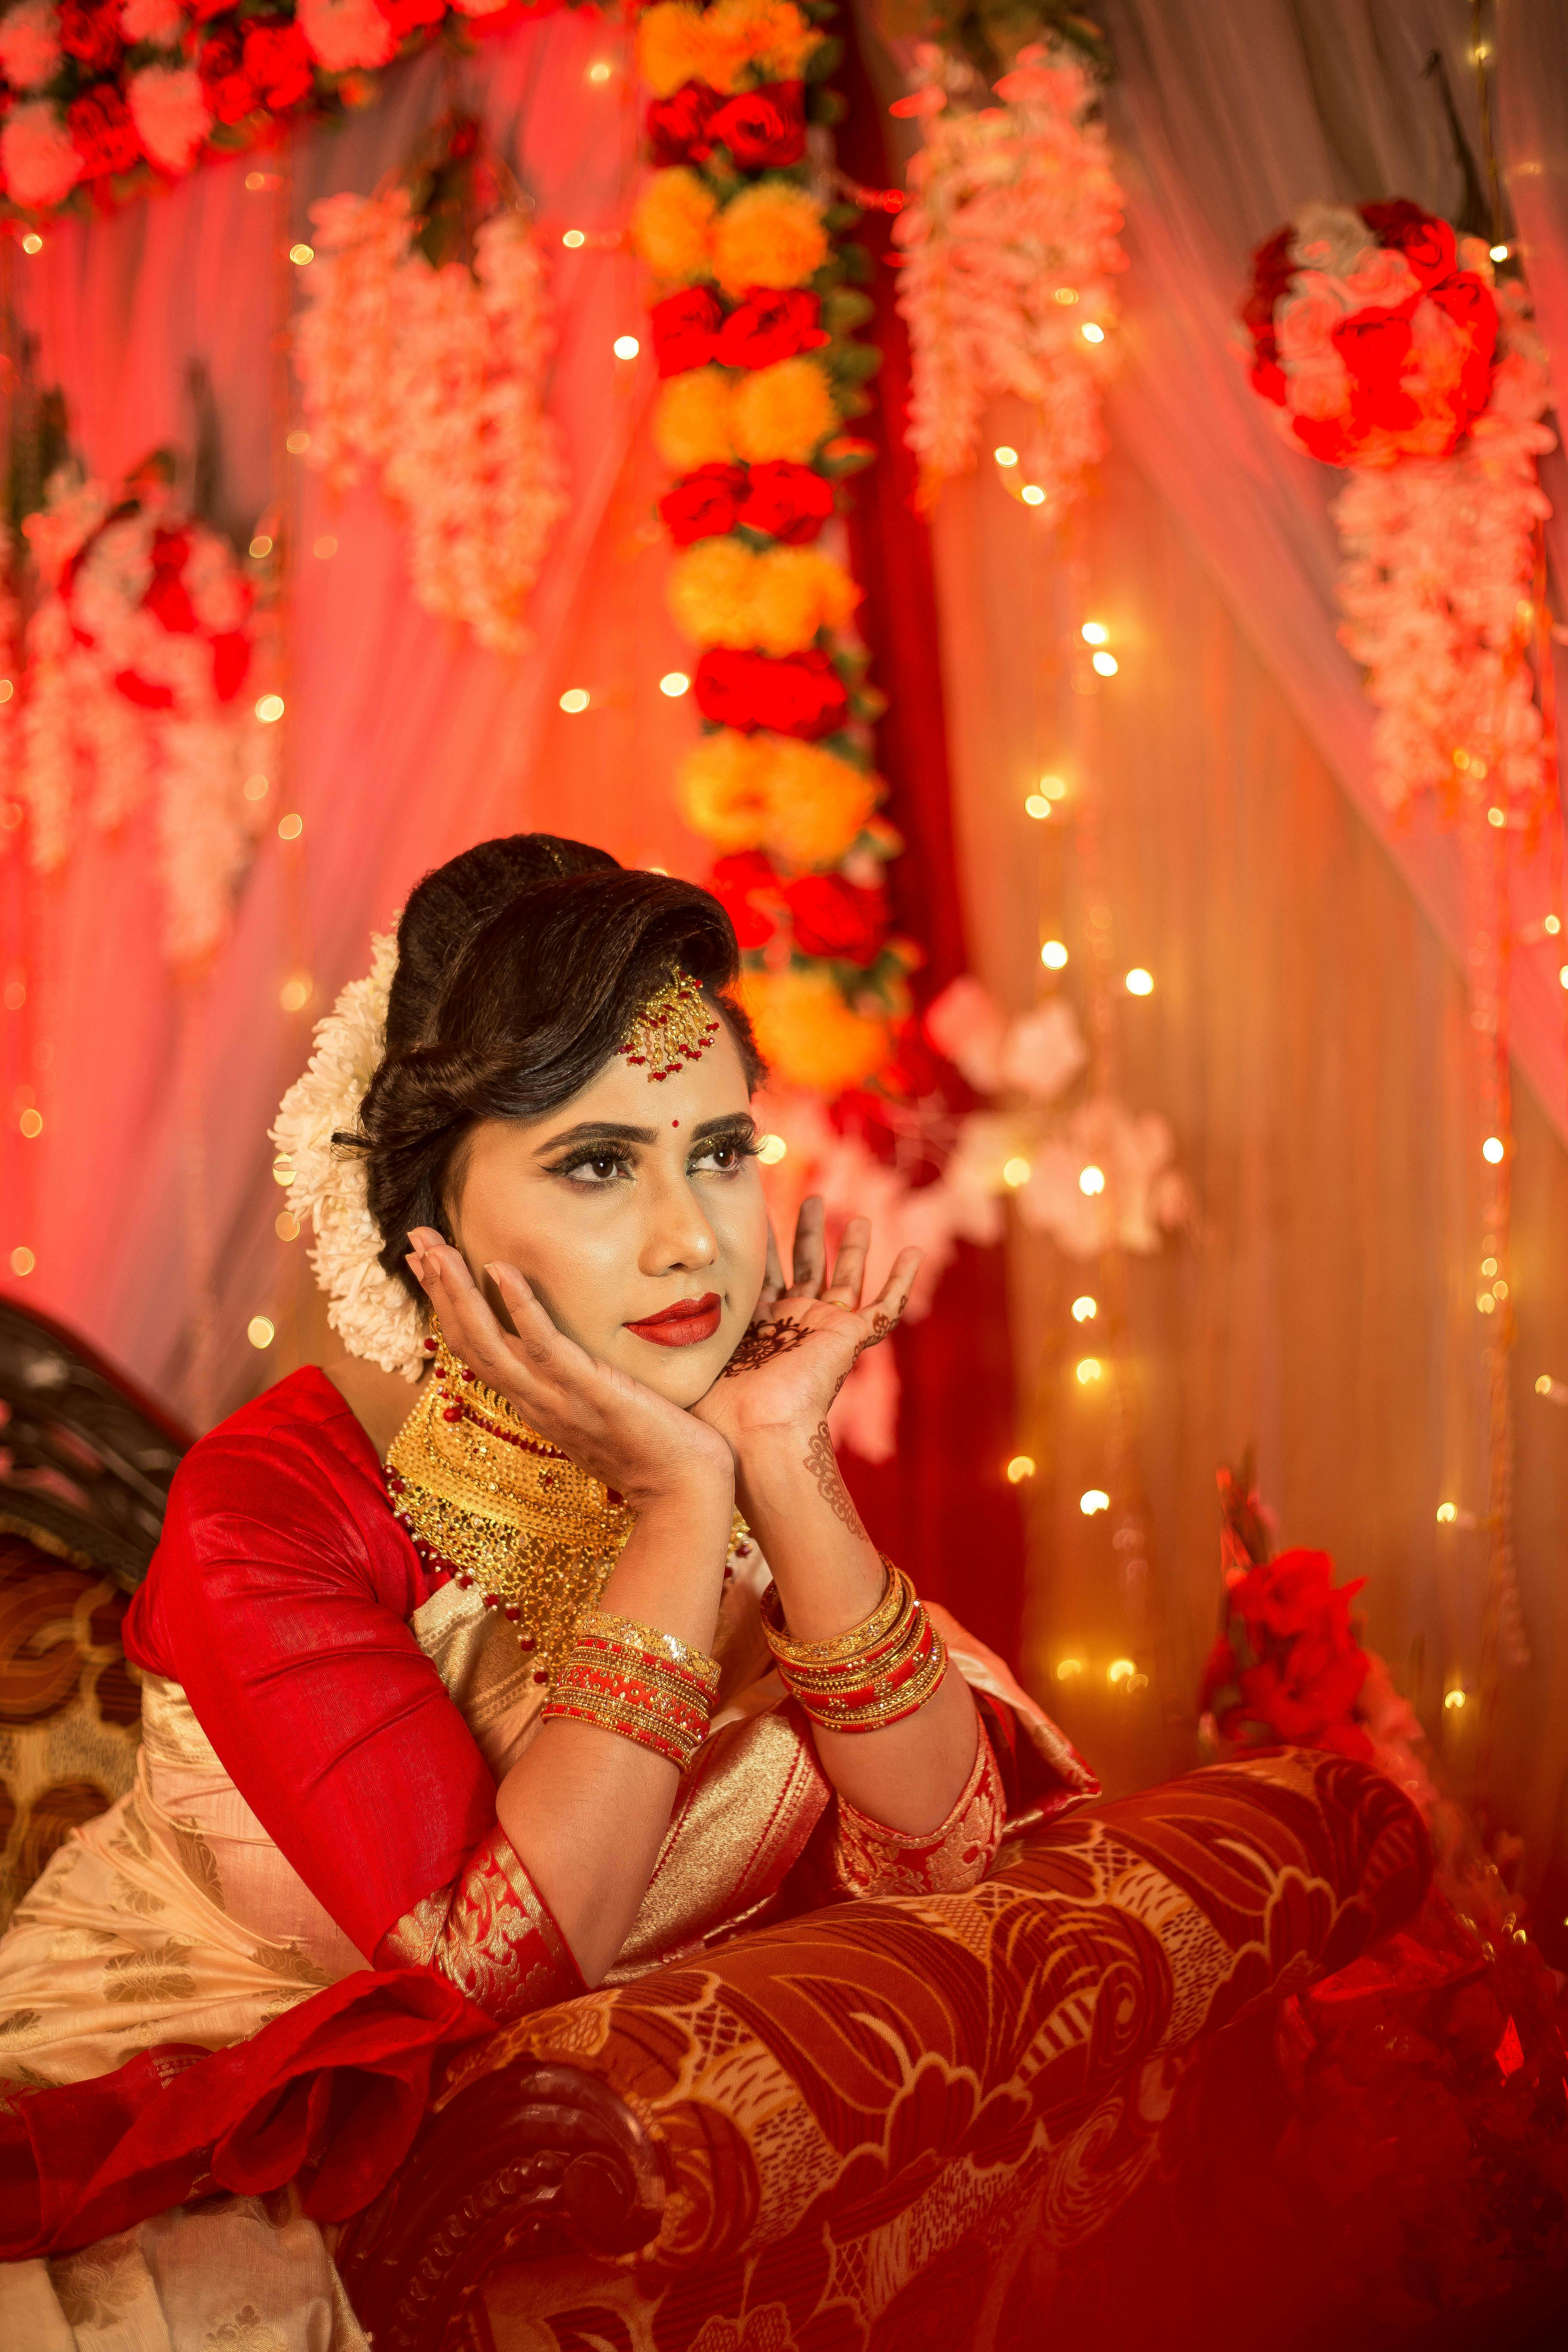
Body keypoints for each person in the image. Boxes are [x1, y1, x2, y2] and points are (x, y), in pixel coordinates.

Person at [0, 835, 1091, 2349]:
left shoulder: (700, 1416)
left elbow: (944, 1856)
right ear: (428, 1223)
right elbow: (489, 1974)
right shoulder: (272, 1506)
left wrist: (782, 1456)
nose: (692, 1237)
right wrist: (685, 1505)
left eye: (721, 1150)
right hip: (173, 2117)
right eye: (596, 1163)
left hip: (561, 2146)